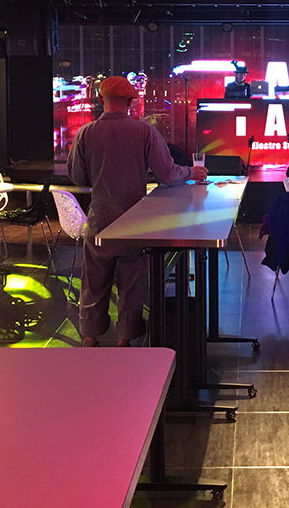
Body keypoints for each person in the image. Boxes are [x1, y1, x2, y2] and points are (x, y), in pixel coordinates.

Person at [68, 76, 207, 347]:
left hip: (99, 220)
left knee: (93, 281)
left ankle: (89, 336)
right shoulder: (145, 132)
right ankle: (125, 339)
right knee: (132, 283)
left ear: (100, 99)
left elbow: (77, 177)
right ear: (131, 102)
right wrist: (192, 172)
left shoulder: (85, 133)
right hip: (135, 222)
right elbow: (167, 174)